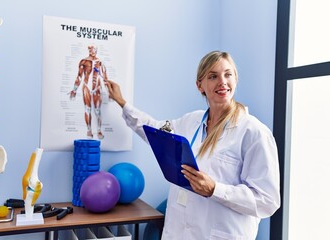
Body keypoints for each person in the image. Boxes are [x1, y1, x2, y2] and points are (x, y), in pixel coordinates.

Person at [105, 50, 280, 240]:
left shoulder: (254, 132)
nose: (222, 81)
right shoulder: (191, 121)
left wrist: (215, 189)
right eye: (213, 76)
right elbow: (154, 131)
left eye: (228, 74)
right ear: (200, 86)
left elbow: (267, 201)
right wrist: (122, 102)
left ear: (235, 79)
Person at [69, 45, 108, 139]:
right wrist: (74, 89)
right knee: (87, 109)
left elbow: (105, 78)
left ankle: (99, 130)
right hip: (86, 87)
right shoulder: (84, 61)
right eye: (90, 49)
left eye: (93, 48)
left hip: (97, 88)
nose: (91, 50)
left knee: (97, 110)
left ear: (97, 49)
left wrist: (109, 92)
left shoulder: (101, 62)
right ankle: (89, 130)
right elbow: (79, 76)